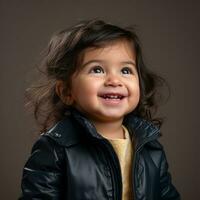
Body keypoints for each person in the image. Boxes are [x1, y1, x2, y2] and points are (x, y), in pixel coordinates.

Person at [19, 19, 180, 200]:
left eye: (126, 70)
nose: (114, 80)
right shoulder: (56, 148)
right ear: (66, 92)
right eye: (97, 69)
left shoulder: (150, 148)